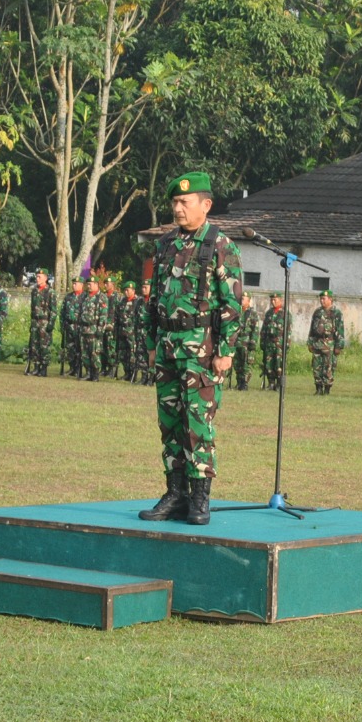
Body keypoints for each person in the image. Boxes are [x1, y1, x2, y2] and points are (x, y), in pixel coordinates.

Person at [140, 171, 243, 526]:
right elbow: (154, 301)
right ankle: (175, 493)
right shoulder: (165, 244)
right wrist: (152, 344)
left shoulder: (220, 245)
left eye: (184, 202)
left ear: (206, 204)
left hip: (201, 351)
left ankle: (200, 499)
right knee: (169, 423)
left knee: (197, 424)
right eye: (174, 202)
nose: (178, 208)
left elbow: (233, 303)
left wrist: (226, 351)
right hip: (168, 348)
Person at [307, 289, 345, 395]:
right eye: (321, 299)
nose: (322, 301)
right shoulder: (317, 312)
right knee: (316, 366)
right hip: (317, 342)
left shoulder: (336, 313)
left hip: (329, 343)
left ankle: (327, 389)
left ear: (330, 299)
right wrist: (310, 342)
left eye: (324, 299)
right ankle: (318, 388)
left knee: (328, 367)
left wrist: (339, 346)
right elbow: (312, 329)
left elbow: (340, 330)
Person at [27, 267, 57, 377]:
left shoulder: (50, 292)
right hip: (35, 321)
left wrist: (51, 324)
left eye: (39, 277)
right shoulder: (34, 291)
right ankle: (36, 367)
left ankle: (43, 368)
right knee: (34, 345)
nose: (37, 278)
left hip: (45, 322)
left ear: (45, 278)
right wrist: (32, 322)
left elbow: (54, 311)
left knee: (44, 346)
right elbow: (32, 308)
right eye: (37, 277)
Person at [259, 293, 291, 391]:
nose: (273, 302)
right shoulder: (269, 313)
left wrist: (287, 344)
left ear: (280, 300)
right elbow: (264, 328)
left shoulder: (285, 313)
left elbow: (288, 330)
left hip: (279, 343)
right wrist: (262, 341)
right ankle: (271, 383)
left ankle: (279, 384)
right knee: (268, 363)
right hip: (269, 342)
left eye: (275, 300)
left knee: (279, 364)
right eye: (272, 300)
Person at [115, 281, 143, 382]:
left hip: (132, 332)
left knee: (132, 354)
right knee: (123, 354)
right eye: (125, 290)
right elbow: (117, 316)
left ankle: (133, 374)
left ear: (133, 290)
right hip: (122, 331)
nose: (126, 292)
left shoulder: (138, 301)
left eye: (128, 290)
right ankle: (126, 373)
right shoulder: (122, 301)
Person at [78, 276, 104, 382]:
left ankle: (96, 374)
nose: (88, 286)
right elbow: (80, 312)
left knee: (94, 353)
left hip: (94, 329)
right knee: (85, 353)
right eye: (87, 284)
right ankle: (88, 372)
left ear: (96, 284)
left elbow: (103, 315)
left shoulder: (101, 297)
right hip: (84, 329)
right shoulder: (84, 296)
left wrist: (100, 329)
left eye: (90, 284)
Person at [60, 276, 86, 377]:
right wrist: (62, 325)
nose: (74, 285)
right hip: (69, 326)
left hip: (80, 326)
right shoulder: (68, 297)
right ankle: (72, 368)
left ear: (81, 285)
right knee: (70, 348)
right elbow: (62, 311)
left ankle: (79, 368)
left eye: (76, 284)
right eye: (73, 283)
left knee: (80, 348)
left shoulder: (85, 297)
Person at [233, 292, 259, 391]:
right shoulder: (236, 311)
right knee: (237, 363)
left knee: (246, 363)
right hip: (237, 341)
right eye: (241, 298)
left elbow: (255, 329)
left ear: (249, 301)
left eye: (244, 298)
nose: (242, 300)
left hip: (246, 342)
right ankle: (239, 382)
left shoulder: (252, 313)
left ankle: (245, 383)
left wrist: (253, 342)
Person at [101, 276, 120, 378]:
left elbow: (117, 313)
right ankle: (103, 368)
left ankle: (112, 369)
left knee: (110, 348)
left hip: (112, 327)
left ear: (113, 284)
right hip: (102, 326)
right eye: (105, 283)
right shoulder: (103, 296)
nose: (106, 285)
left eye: (108, 283)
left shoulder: (117, 296)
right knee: (102, 347)